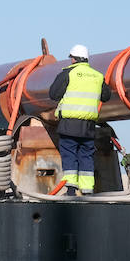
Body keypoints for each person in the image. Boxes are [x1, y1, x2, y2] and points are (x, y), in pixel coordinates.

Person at [47, 43, 110, 196]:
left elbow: (53, 94)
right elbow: (106, 96)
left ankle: (71, 190)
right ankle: (87, 190)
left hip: (69, 124)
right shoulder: (97, 76)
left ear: (74, 59)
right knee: (86, 156)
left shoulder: (68, 73)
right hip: (88, 126)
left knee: (69, 154)